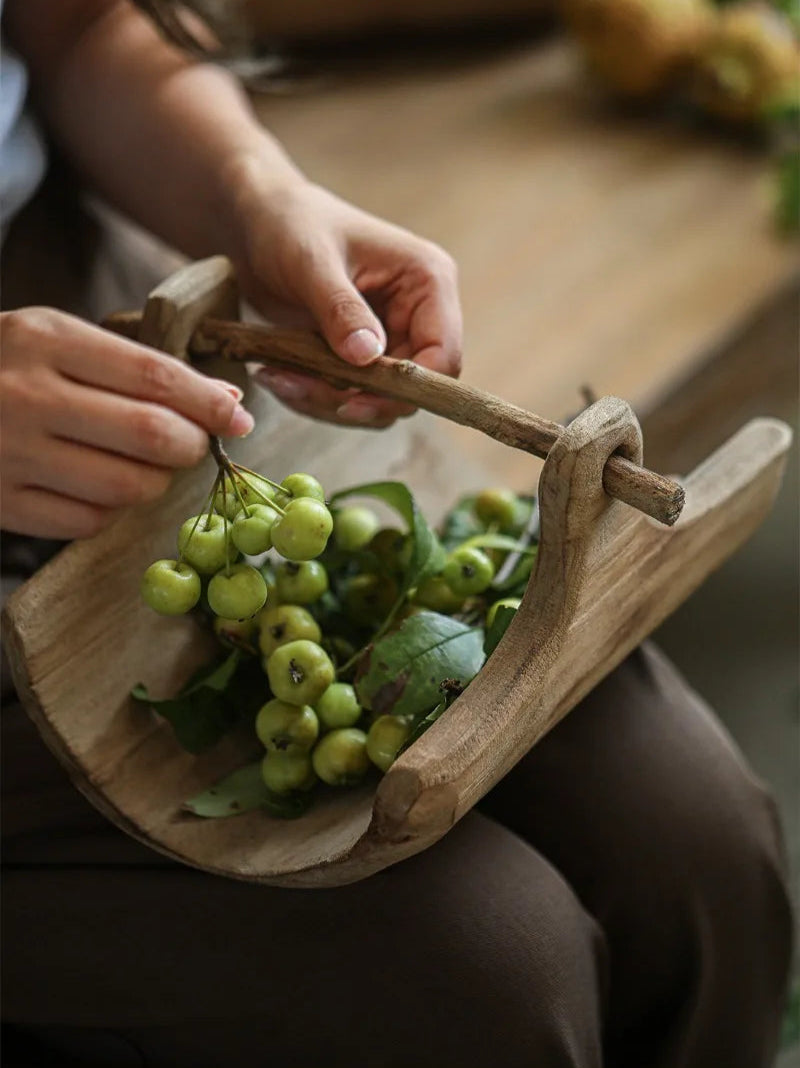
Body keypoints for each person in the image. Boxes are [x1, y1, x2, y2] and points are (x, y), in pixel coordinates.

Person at [0, 3, 793, 1066]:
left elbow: (78, 26)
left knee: (686, 839)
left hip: (90, 343)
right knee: (483, 970)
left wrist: (254, 194)